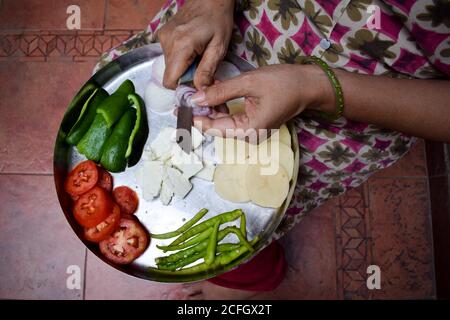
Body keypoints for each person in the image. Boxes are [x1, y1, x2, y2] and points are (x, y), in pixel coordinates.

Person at [95, 0, 450, 299]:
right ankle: (244, 269)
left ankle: (247, 274)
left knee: (269, 204)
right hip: (239, 20)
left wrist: (316, 89)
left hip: (365, 101)